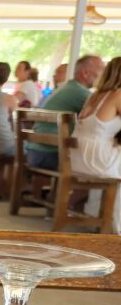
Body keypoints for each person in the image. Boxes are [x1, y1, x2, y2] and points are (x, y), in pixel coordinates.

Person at [27, 54, 105, 169]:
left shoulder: (67, 87)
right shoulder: (81, 94)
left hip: (35, 152)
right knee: (105, 164)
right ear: (85, 73)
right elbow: (103, 122)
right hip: (54, 155)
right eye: (102, 70)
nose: (105, 75)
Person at [70, 57, 121, 231]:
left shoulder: (95, 95)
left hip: (78, 157)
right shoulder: (118, 95)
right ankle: (116, 225)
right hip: (96, 159)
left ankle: (95, 214)